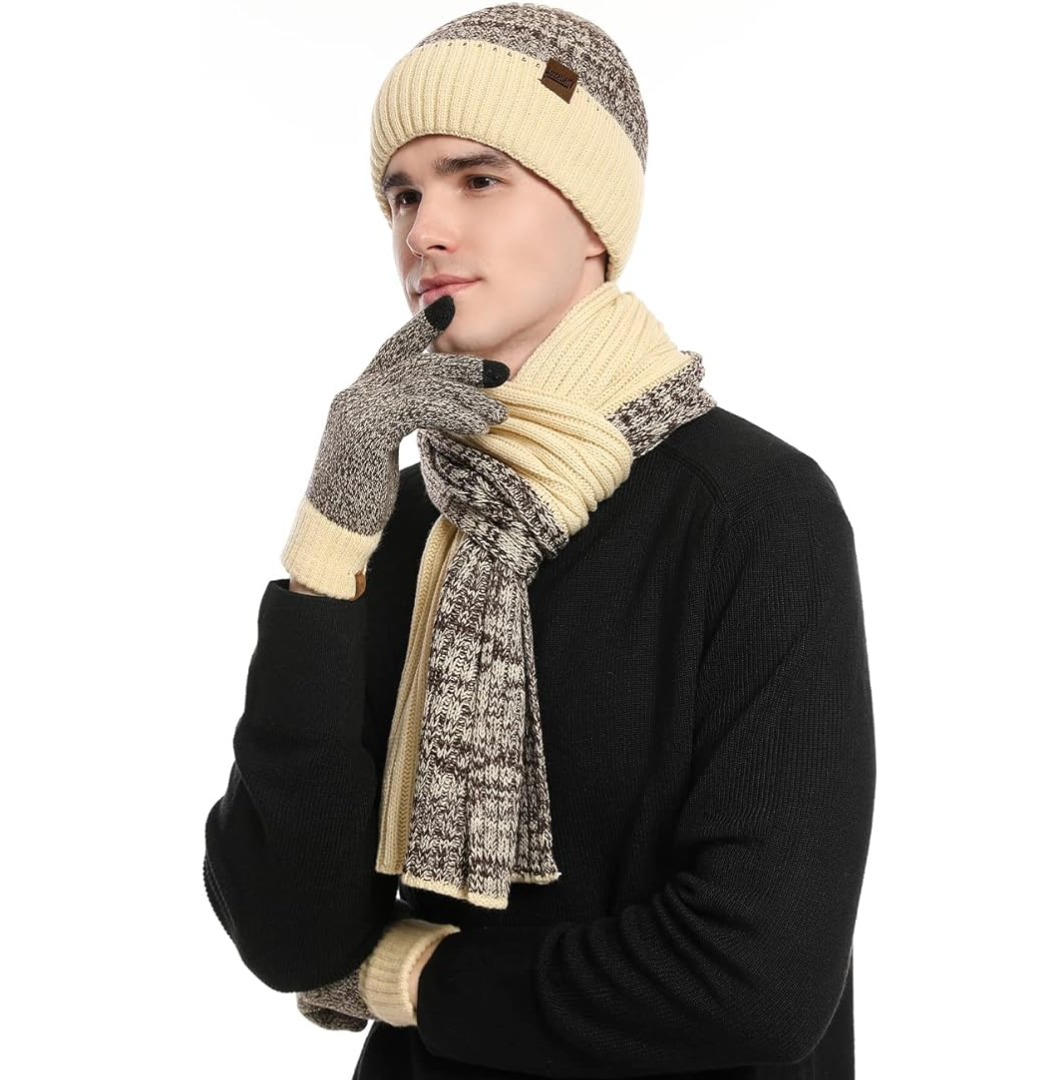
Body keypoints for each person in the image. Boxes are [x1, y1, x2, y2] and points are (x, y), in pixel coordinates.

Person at [202, 4, 877, 1078]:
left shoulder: (754, 511)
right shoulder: (405, 514)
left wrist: (414, 979)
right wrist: (327, 555)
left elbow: (757, 979)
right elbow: (291, 933)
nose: (424, 231)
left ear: (592, 217)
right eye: (403, 194)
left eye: (478, 179)